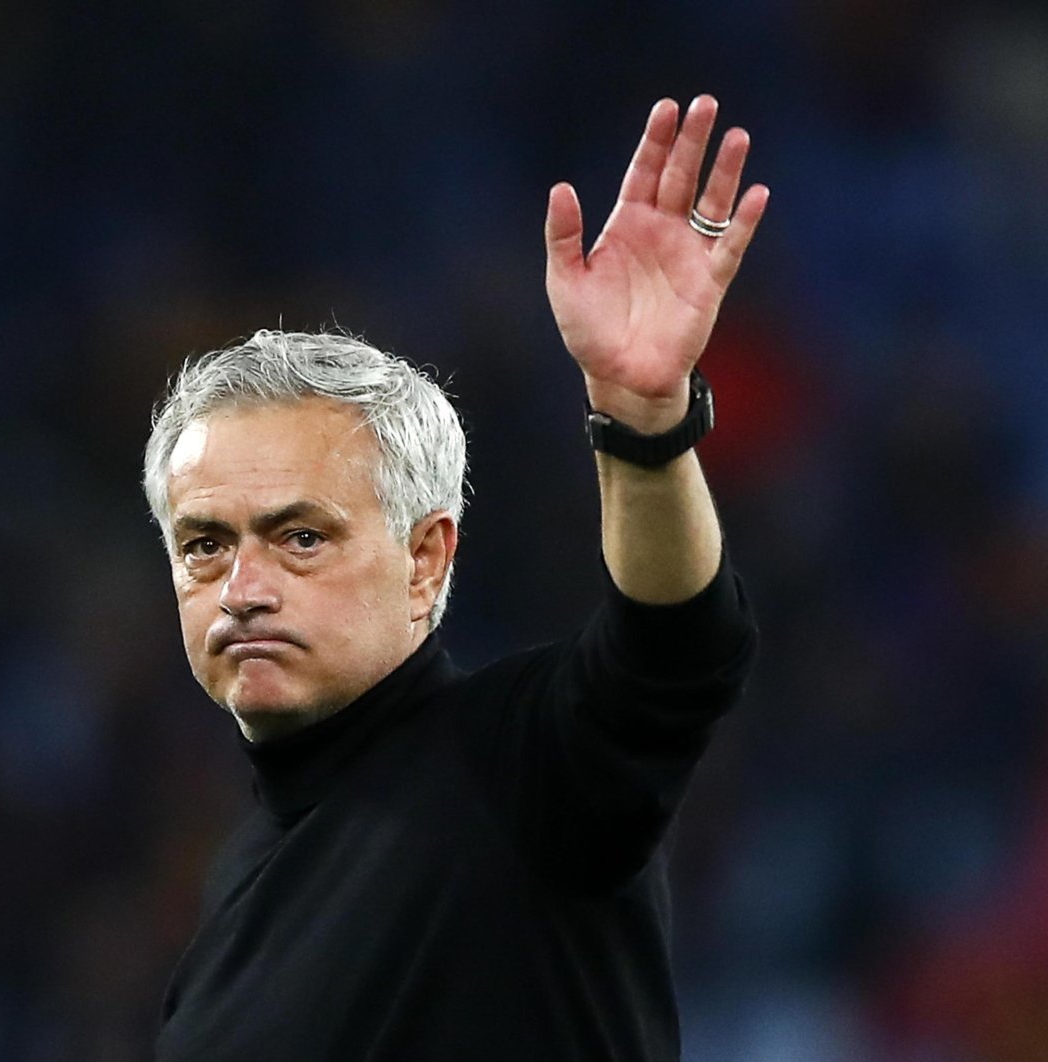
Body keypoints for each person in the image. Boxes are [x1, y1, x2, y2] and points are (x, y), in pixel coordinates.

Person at [142, 94, 768, 1061]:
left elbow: (673, 653)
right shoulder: (237, 888)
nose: (243, 587)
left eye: (300, 537)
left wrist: (644, 424)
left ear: (426, 557)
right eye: (205, 545)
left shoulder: (520, 772)